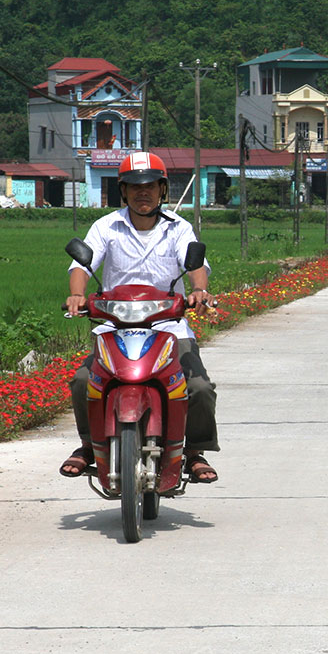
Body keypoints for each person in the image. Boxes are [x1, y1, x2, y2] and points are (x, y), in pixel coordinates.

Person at [59, 151, 219, 483]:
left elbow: (195, 266)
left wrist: (199, 291)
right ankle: (89, 445)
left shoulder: (178, 229)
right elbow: (82, 265)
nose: (142, 192)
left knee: (199, 387)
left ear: (163, 190)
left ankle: (194, 451)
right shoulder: (107, 226)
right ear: (123, 191)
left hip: (170, 327)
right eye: (134, 186)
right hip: (115, 326)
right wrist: (77, 294)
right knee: (82, 382)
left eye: (149, 186)